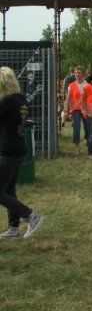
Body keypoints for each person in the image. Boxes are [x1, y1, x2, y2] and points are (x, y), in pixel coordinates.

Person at [0, 67, 44, 240]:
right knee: (8, 191)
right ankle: (13, 229)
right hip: (18, 148)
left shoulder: (6, 102)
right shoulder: (21, 100)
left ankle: (30, 216)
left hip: (7, 150)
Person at [62, 65, 86, 155]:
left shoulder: (87, 84)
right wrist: (66, 108)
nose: (77, 74)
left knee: (88, 127)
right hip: (75, 109)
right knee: (76, 126)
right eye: (76, 73)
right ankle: (77, 147)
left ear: (83, 74)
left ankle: (87, 141)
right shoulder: (71, 85)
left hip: (86, 109)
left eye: (79, 73)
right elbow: (68, 98)